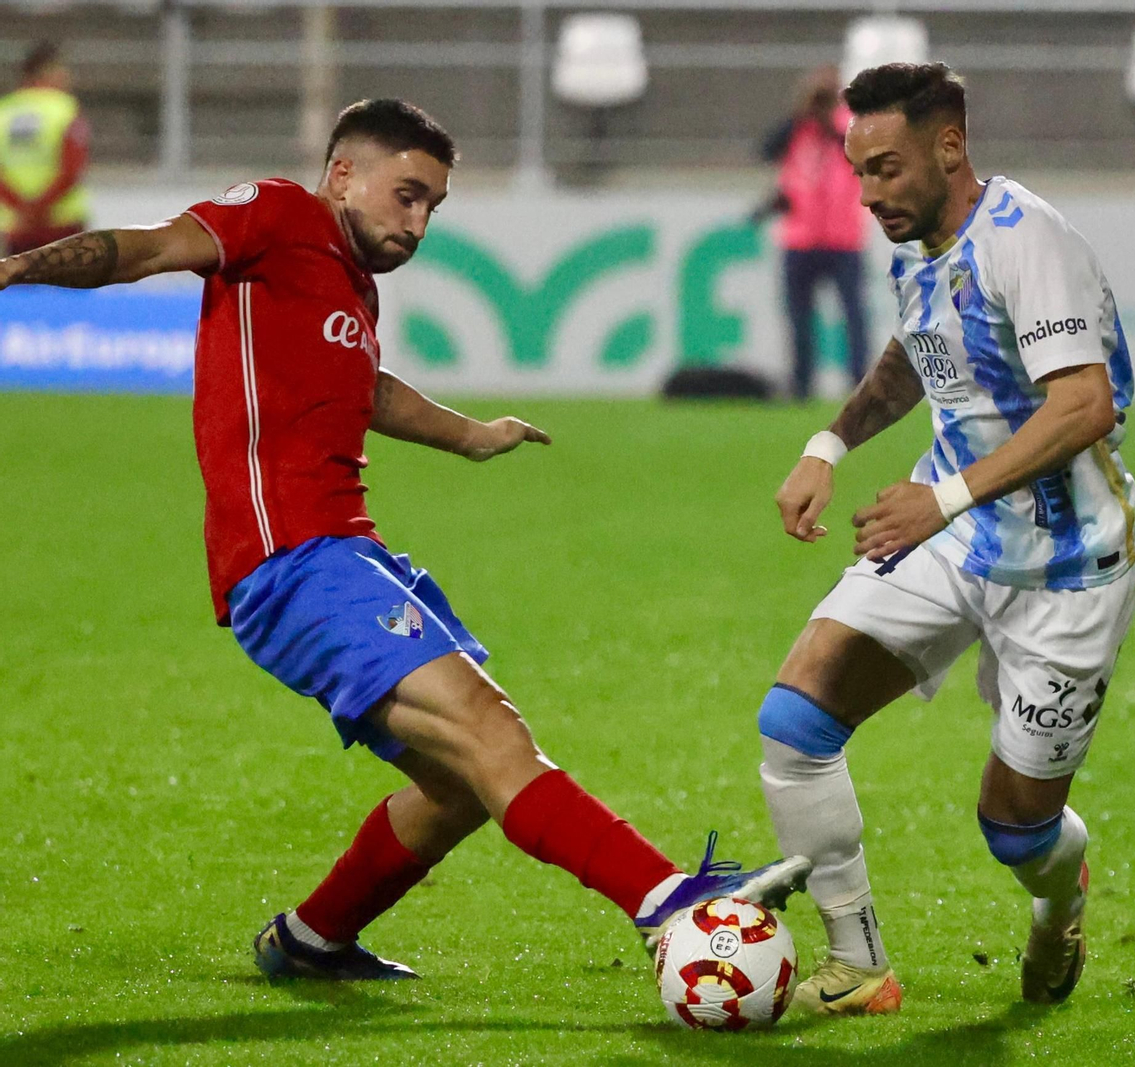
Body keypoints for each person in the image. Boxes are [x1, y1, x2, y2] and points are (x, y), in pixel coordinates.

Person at [0, 98, 809, 982]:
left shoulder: (351, 285)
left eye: (433, 207)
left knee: (461, 785)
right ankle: (670, 899)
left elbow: (365, 387)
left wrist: (472, 435)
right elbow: (150, 248)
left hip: (346, 557)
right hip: (295, 562)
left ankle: (311, 939)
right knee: (490, 730)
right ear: (343, 173)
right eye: (408, 194)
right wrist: (18, 267)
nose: (418, 223)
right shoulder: (278, 214)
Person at [756, 63, 1135, 1014]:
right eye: (859, 171)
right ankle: (858, 960)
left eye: (886, 168)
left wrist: (944, 498)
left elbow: (1084, 404)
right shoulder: (921, 241)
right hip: (952, 541)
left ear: (951, 147)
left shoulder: (1027, 241)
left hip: (1067, 569)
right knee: (796, 722)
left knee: (1017, 831)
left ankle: (1061, 899)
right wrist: (826, 444)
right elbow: (914, 352)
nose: (867, 193)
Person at [757, 65, 870, 400]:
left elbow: (858, 150)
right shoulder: (797, 128)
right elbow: (766, 150)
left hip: (843, 237)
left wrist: (829, 117)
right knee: (800, 317)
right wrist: (801, 114)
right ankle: (802, 383)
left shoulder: (847, 126)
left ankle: (859, 382)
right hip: (800, 238)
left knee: (853, 315)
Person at [0, 42, 90, 255]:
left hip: (17, 224)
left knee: (20, 274)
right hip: (61, 222)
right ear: (48, 72)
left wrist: (24, 210)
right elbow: (72, 169)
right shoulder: (65, 108)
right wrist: (39, 210)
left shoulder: (4, 111)